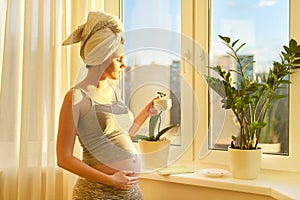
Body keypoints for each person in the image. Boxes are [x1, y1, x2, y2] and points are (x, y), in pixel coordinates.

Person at [56, 11, 157, 200]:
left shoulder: (113, 94)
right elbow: (64, 158)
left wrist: (146, 113)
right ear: (100, 58)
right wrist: (111, 180)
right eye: (119, 59)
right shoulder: (76, 97)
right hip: (98, 192)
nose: (123, 65)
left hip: (130, 191)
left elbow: (119, 138)